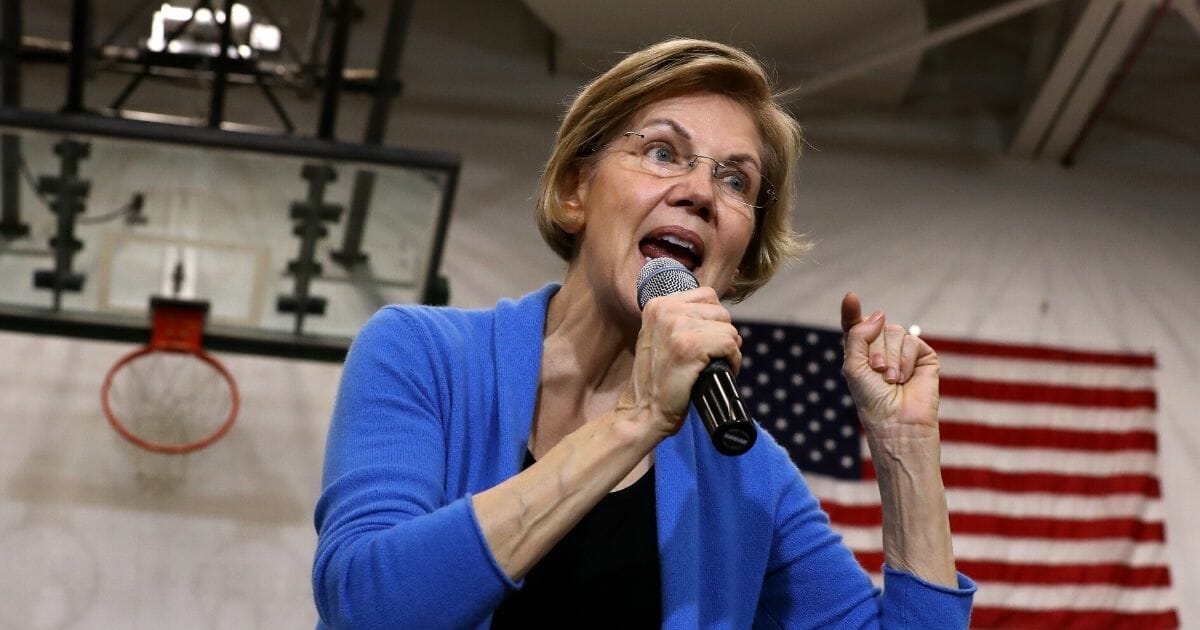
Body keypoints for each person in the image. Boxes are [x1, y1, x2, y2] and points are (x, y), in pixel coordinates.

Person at [312, 38, 976, 629]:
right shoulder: (423, 355)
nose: (700, 193)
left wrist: (906, 448)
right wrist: (637, 420)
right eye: (663, 152)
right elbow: (366, 608)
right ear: (575, 188)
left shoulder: (747, 473)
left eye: (735, 179)